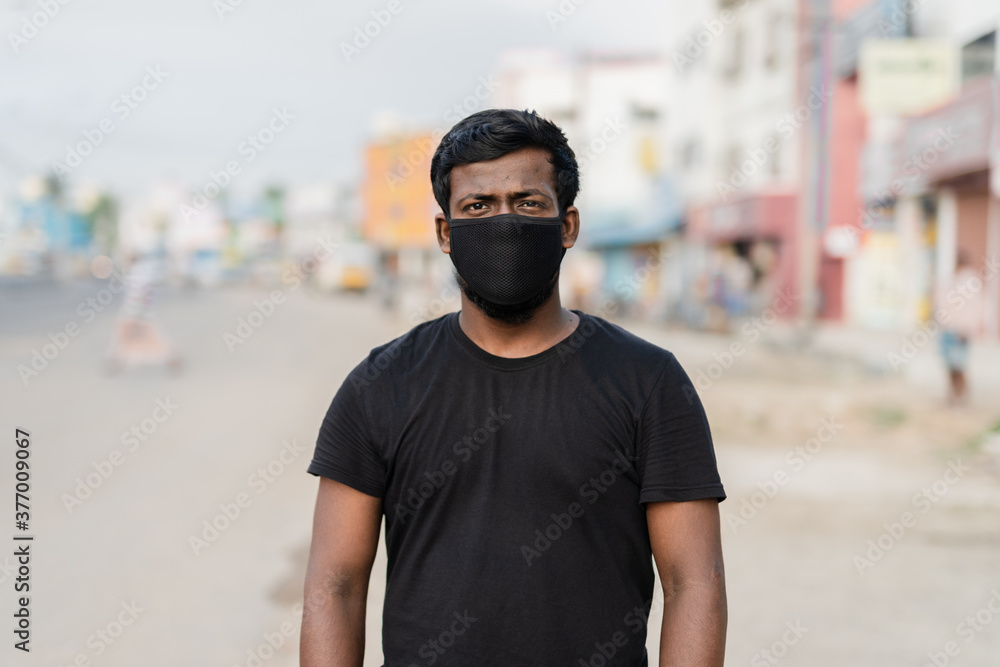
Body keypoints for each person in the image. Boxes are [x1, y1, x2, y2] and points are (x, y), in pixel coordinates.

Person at [300, 109, 727, 667]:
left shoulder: (649, 382)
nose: (504, 222)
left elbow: (694, 582)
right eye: (478, 206)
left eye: (528, 203)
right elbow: (335, 585)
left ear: (568, 225)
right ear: (445, 233)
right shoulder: (379, 386)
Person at [935, 251, 984, 406]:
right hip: (950, 328)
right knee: (951, 365)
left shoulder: (969, 282)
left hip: (960, 330)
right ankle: (954, 395)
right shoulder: (953, 280)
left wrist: (967, 329)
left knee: (959, 366)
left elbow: (974, 309)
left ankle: (961, 397)